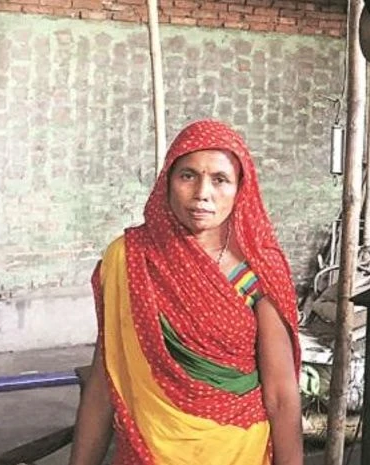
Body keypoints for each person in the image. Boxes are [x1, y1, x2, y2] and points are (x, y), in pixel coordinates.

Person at [68, 120, 303, 465]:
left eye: (220, 179)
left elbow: (282, 396)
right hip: (148, 449)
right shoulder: (130, 258)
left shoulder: (259, 270)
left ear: (240, 189)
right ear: (167, 182)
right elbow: (107, 378)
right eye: (188, 176)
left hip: (237, 452)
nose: (202, 193)